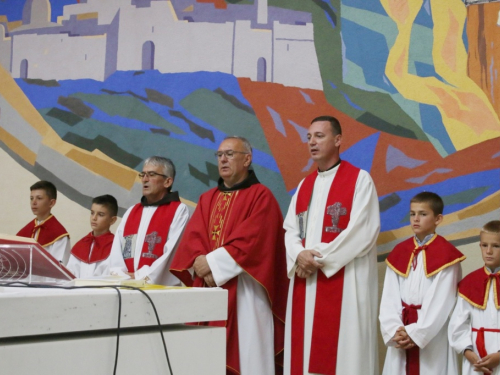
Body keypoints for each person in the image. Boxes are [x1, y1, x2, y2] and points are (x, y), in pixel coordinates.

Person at [170, 136, 288, 375]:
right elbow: (194, 237)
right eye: (219, 154)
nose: (223, 159)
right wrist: (204, 265)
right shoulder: (207, 198)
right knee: (206, 359)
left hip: (247, 290)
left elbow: (253, 240)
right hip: (209, 291)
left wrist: (212, 265)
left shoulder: (261, 196)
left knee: (248, 357)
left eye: (230, 154)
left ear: (247, 159)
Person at [283, 115, 380, 375]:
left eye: (319, 136)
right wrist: (299, 254)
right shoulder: (305, 185)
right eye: (309, 137)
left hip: (343, 280)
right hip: (307, 280)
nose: (312, 142)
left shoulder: (359, 180)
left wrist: (315, 259)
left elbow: (362, 231)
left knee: (345, 355)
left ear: (338, 140)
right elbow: (290, 230)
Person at [379, 191, 465, 375]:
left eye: (423, 214)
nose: (415, 219)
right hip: (401, 329)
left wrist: (417, 334)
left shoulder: (447, 255)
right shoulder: (400, 252)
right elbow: (389, 297)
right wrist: (395, 330)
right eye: (412, 214)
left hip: (432, 335)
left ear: (438, 218)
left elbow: (442, 301)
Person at [109, 156, 189, 285]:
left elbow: (172, 253)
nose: (145, 179)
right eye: (143, 174)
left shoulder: (178, 210)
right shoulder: (131, 212)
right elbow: (117, 250)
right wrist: (121, 276)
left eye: (151, 175)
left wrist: (140, 277)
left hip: (160, 290)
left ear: (167, 182)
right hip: (126, 287)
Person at [448, 220, 500, 375]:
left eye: (496, 246)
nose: (489, 251)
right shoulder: (470, 282)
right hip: (476, 359)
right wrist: (468, 352)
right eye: (484, 245)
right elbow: (458, 324)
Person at [17, 180, 71, 264]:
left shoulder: (59, 235)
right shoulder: (26, 230)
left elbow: (60, 268)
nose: (33, 202)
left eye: (39, 198)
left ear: (51, 203)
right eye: (31, 198)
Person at [66, 194, 118, 278]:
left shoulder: (115, 246)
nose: (94, 218)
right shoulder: (81, 244)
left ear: (112, 220)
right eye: (92, 213)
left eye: (100, 214)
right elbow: (70, 275)